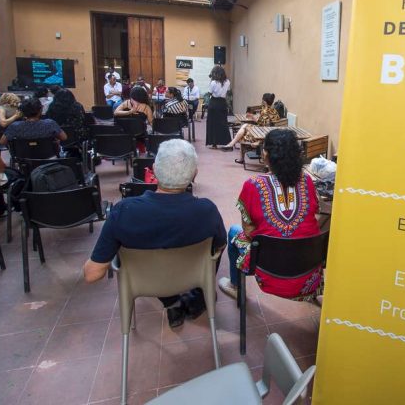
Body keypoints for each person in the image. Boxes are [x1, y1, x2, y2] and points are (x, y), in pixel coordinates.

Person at [82, 139, 227, 328]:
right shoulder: (207, 210)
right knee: (217, 244)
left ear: (153, 171)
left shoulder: (123, 212)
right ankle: (199, 297)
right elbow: (220, 245)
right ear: (194, 174)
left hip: (144, 281)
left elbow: (92, 275)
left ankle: (171, 303)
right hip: (191, 275)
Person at [219, 129, 322, 300]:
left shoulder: (253, 184)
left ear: (266, 154)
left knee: (233, 232)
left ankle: (235, 287)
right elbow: (315, 215)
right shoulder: (307, 181)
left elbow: (249, 232)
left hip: (270, 275)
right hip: (307, 275)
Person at [221, 93, 280, 162]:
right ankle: (231, 145)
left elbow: (261, 123)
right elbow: (265, 121)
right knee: (244, 126)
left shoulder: (265, 111)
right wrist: (255, 117)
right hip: (269, 131)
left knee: (243, 133)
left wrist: (252, 117)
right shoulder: (274, 110)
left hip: (261, 133)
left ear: (264, 101)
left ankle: (234, 148)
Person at [0, 97, 67, 149]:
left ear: (22, 112)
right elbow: (64, 137)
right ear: (41, 109)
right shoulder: (50, 123)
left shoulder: (14, 126)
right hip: (48, 159)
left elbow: (2, 142)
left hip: (23, 160)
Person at [205, 65, 231, 148]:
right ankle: (226, 142)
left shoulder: (213, 82)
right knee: (223, 123)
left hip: (214, 103)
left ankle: (214, 143)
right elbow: (228, 92)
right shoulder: (227, 82)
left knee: (213, 124)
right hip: (222, 103)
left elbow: (209, 93)